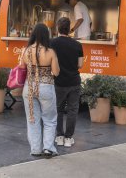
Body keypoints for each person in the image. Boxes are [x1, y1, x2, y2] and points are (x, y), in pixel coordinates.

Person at [20, 23, 60, 158]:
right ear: (46, 35)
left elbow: (21, 67)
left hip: (29, 88)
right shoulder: (50, 52)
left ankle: (35, 149)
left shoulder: (25, 51)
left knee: (32, 119)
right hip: (46, 88)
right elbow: (56, 72)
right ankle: (48, 148)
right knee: (49, 119)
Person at [51, 17, 84, 148]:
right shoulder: (77, 45)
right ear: (69, 28)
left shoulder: (52, 43)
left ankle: (59, 136)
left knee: (58, 109)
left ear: (58, 28)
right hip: (74, 81)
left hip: (58, 81)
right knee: (72, 110)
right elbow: (80, 65)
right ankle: (68, 138)